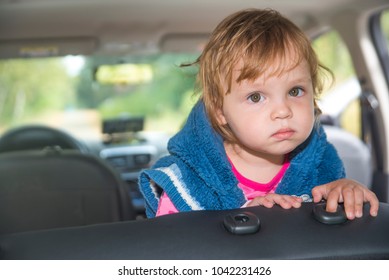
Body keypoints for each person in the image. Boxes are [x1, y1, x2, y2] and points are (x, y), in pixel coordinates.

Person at [139, 8, 379, 219]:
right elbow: (176, 255)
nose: (283, 111)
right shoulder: (187, 182)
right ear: (220, 111)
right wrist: (240, 219)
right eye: (256, 97)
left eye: (295, 91)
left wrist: (346, 192)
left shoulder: (323, 166)